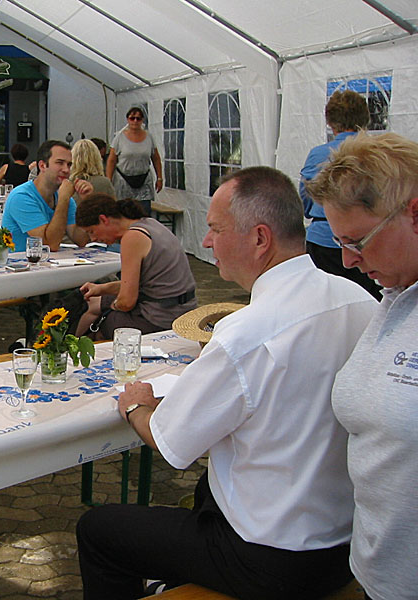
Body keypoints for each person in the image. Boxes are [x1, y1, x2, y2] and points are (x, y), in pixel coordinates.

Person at [77, 166, 377, 600]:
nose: (205, 241)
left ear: (260, 238)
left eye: (216, 229)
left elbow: (171, 444)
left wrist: (136, 405)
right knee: (207, 490)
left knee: (98, 530)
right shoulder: (360, 301)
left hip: (269, 558)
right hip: (346, 545)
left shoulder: (245, 332)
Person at [306, 132, 418, 600]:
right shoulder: (395, 295)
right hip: (377, 571)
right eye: (339, 242)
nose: (348, 261)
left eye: (358, 241)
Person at [74, 194, 195, 338]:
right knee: (94, 303)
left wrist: (112, 305)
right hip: (181, 309)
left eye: (91, 231)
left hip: (162, 318)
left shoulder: (132, 237)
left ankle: (78, 347)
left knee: (97, 322)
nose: (93, 238)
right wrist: (101, 289)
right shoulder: (149, 224)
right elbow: (140, 284)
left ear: (103, 219)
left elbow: (126, 302)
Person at [300, 90, 381, 300]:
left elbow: (306, 198)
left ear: (330, 122)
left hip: (322, 240)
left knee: (324, 301)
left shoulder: (318, 154)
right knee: (368, 301)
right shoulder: (378, 153)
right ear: (365, 119)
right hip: (367, 241)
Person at [1, 139, 92, 252]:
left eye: (69, 165)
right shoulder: (21, 197)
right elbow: (50, 245)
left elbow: (81, 240)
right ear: (42, 166)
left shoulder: (63, 197)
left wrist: (87, 202)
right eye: (60, 163)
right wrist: (63, 199)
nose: (66, 170)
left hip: (48, 262)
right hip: (17, 261)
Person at [106, 106, 163, 214]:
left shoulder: (149, 137)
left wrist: (159, 178)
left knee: (144, 213)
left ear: (142, 120)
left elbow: (156, 158)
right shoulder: (119, 138)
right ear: (128, 119)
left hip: (144, 180)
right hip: (123, 180)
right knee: (123, 213)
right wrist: (108, 180)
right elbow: (111, 160)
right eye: (132, 118)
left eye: (138, 118)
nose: (135, 121)